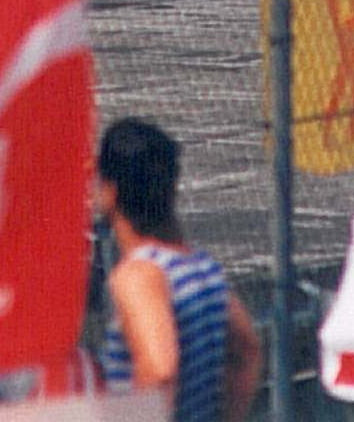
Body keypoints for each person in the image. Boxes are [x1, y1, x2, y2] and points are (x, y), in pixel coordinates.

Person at [94, 118, 260, 422]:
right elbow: (246, 352)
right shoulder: (202, 267)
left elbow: (160, 370)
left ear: (110, 191)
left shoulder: (139, 275)